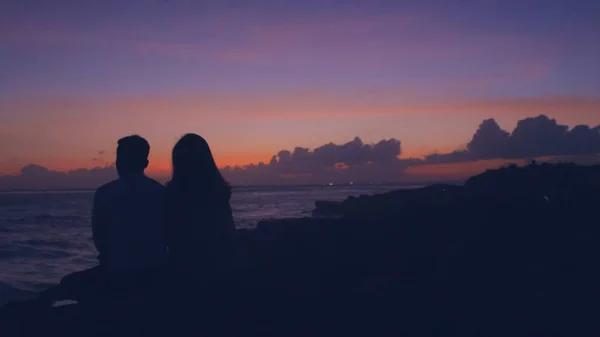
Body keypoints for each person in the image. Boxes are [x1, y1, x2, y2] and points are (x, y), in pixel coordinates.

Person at [37, 135, 168, 306]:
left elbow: (100, 240)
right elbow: (168, 235)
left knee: (65, 286)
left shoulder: (105, 193)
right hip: (154, 270)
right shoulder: (161, 193)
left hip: (116, 273)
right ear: (145, 164)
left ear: (119, 162)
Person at [164, 133, 235, 283]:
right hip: (220, 270)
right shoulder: (218, 194)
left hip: (183, 271)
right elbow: (228, 234)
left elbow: (169, 236)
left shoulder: (171, 196)